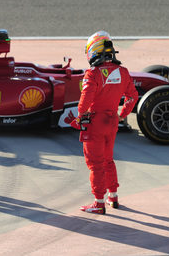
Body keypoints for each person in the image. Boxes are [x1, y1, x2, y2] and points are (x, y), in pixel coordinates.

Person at [71, 31, 138, 214]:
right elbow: (132, 96)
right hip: (112, 121)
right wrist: (123, 114)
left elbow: (84, 103)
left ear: (93, 51)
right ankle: (113, 197)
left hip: (95, 122)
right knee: (108, 160)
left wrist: (80, 115)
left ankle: (98, 203)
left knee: (95, 163)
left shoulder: (92, 73)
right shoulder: (123, 72)